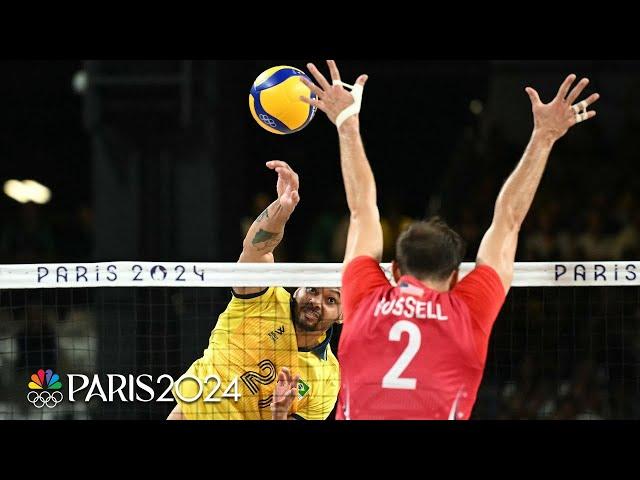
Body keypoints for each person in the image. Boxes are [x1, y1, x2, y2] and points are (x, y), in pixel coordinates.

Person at [301, 60, 599, 419]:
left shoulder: (364, 300)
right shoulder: (467, 313)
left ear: (394, 269)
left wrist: (346, 122)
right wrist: (544, 137)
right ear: (457, 277)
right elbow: (508, 220)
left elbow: (362, 209)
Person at [168, 161, 340, 420]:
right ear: (297, 290)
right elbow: (256, 249)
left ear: (342, 315)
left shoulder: (327, 376)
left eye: (330, 300)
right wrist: (282, 209)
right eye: (313, 289)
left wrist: (280, 414)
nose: (316, 301)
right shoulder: (263, 298)